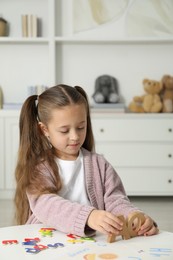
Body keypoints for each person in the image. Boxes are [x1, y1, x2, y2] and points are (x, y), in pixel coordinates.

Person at [14, 84, 158, 237]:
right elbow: (47, 205)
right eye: (64, 130)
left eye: (81, 127)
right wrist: (88, 216)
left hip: (89, 244)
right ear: (44, 129)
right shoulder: (38, 168)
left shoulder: (99, 164)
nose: (75, 136)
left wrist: (134, 216)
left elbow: (115, 199)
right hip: (48, 240)